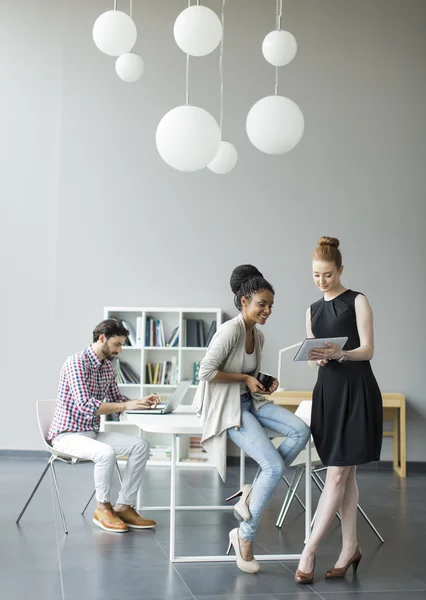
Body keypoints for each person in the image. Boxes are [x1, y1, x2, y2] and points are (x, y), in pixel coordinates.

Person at [195, 265, 310, 574]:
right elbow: (205, 372)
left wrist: (262, 379)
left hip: (252, 401)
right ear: (244, 301)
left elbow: (246, 371)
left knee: (301, 431)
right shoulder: (230, 330)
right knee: (273, 466)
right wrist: (246, 379)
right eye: (262, 304)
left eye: (271, 305)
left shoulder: (256, 335)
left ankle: (254, 490)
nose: (268, 310)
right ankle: (244, 536)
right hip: (231, 408)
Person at [295, 237, 383, 584]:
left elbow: (369, 350)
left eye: (328, 275)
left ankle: (310, 549)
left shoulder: (357, 301)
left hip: (356, 391)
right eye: (316, 275)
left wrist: (341, 353)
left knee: (335, 474)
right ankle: (350, 547)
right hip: (328, 394)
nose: (321, 281)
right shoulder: (312, 310)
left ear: (341, 270)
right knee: (345, 477)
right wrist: (317, 359)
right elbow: (315, 357)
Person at [47, 319, 159, 533]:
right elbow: (86, 405)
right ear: (101, 339)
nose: (120, 350)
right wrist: (126, 404)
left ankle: (124, 506)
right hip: (66, 435)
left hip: (91, 434)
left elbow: (117, 400)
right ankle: (102, 508)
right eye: (117, 344)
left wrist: (140, 402)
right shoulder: (76, 363)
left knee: (140, 445)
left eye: (122, 345)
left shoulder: (108, 367)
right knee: (106, 453)